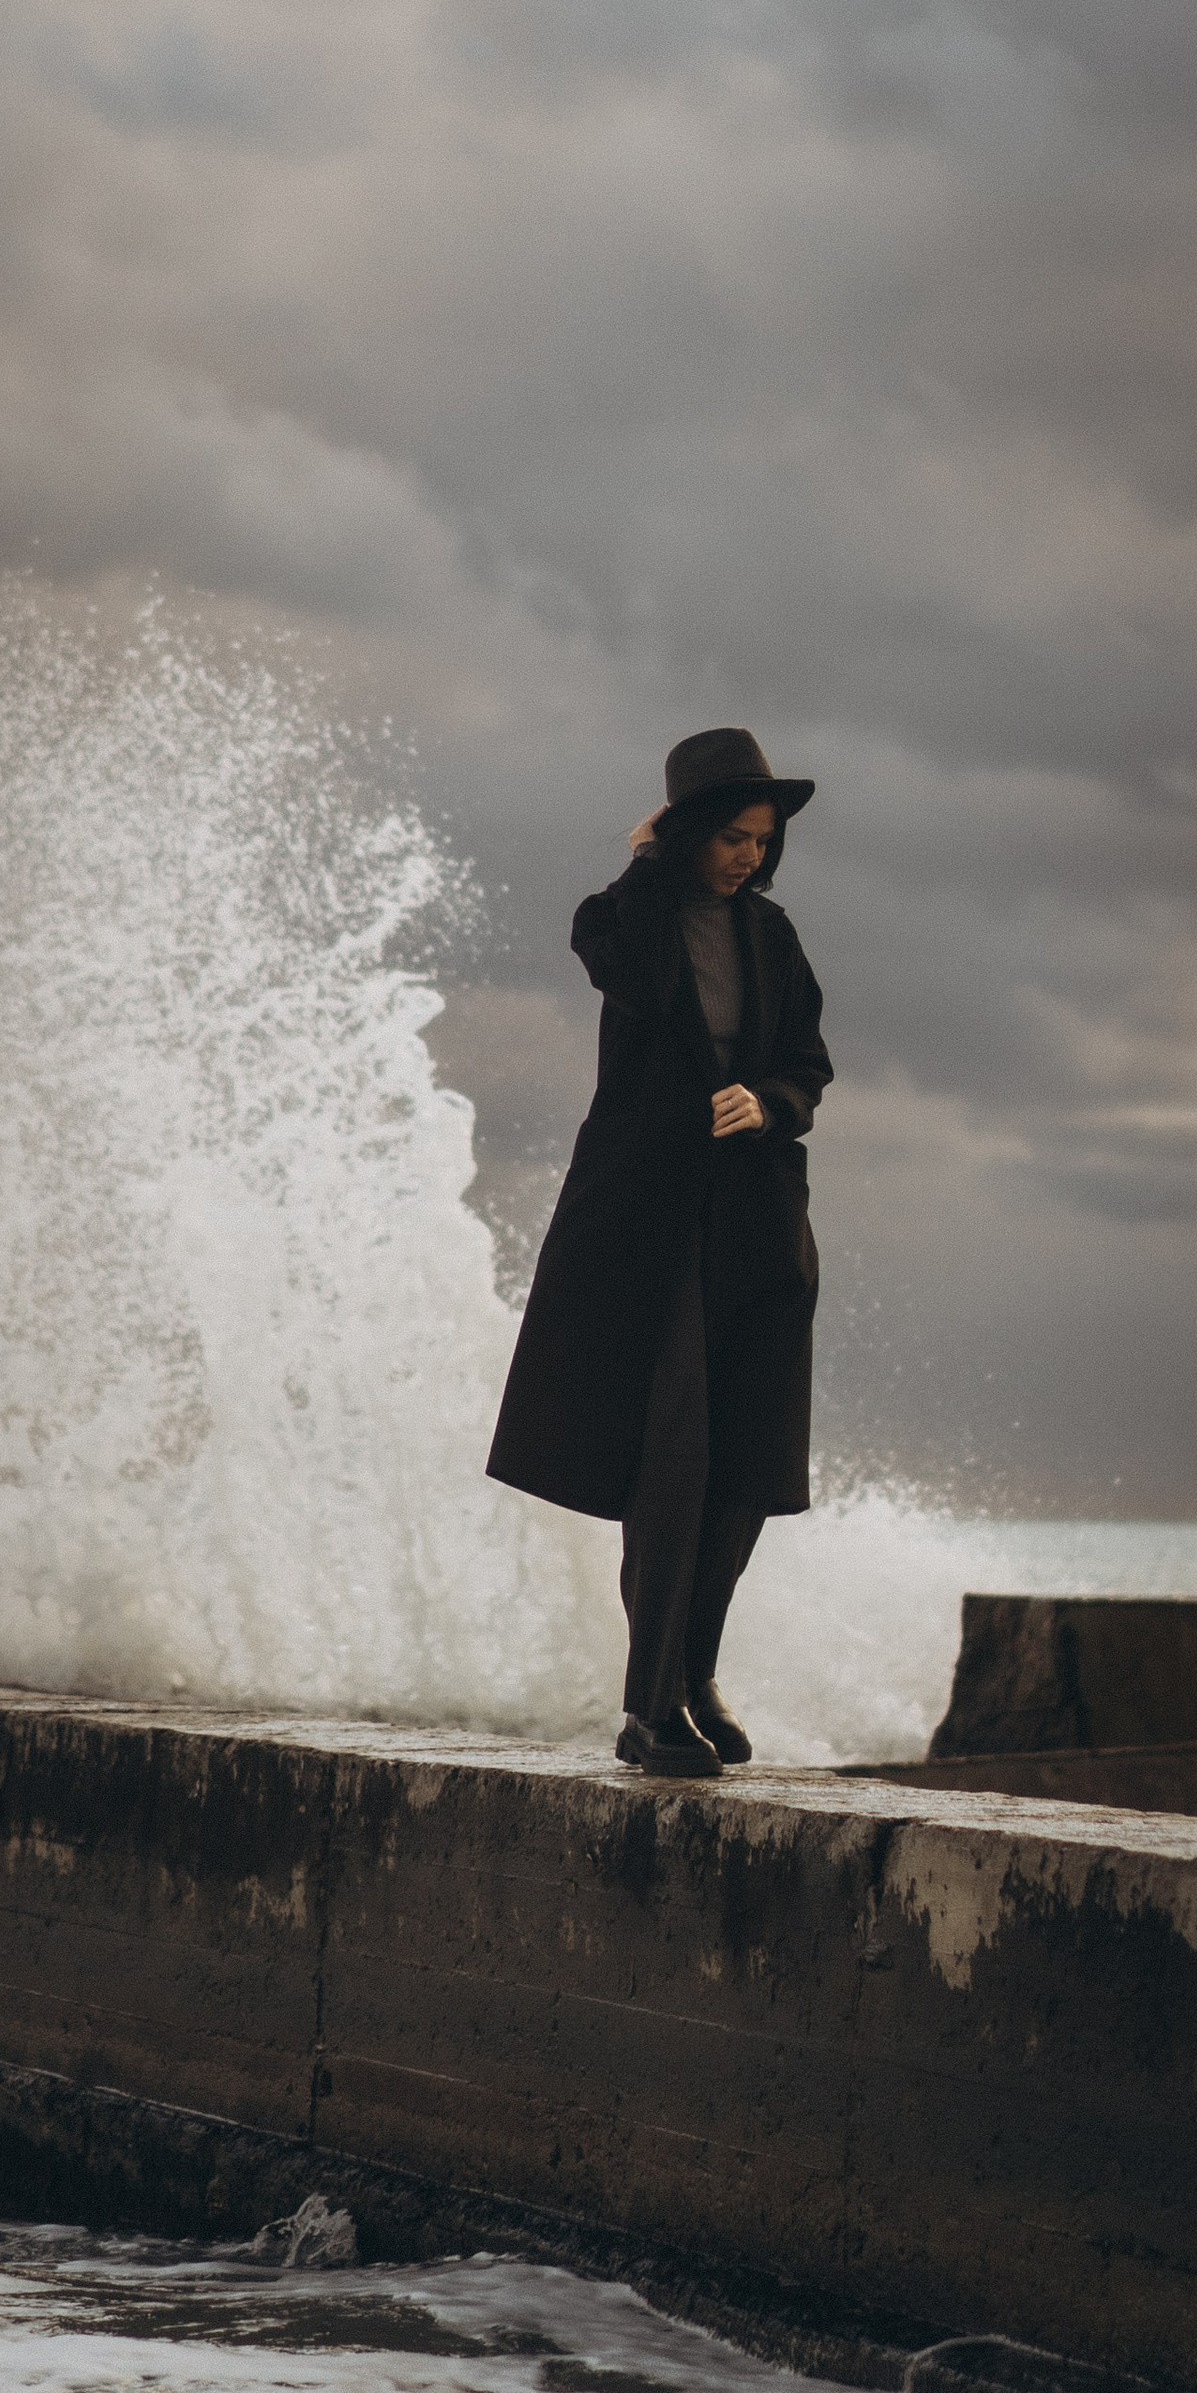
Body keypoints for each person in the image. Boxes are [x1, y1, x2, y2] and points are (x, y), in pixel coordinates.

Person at [486, 727, 831, 1776]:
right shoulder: (619, 917)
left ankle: (695, 1673)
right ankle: (647, 1708)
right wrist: (644, 863)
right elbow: (630, 973)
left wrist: (767, 1101)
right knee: (673, 1460)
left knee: (747, 1465)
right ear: (684, 833)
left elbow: (808, 1064)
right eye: (730, 837)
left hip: (758, 1224)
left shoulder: (772, 935)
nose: (748, 856)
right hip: (650, 1226)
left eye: (761, 840)